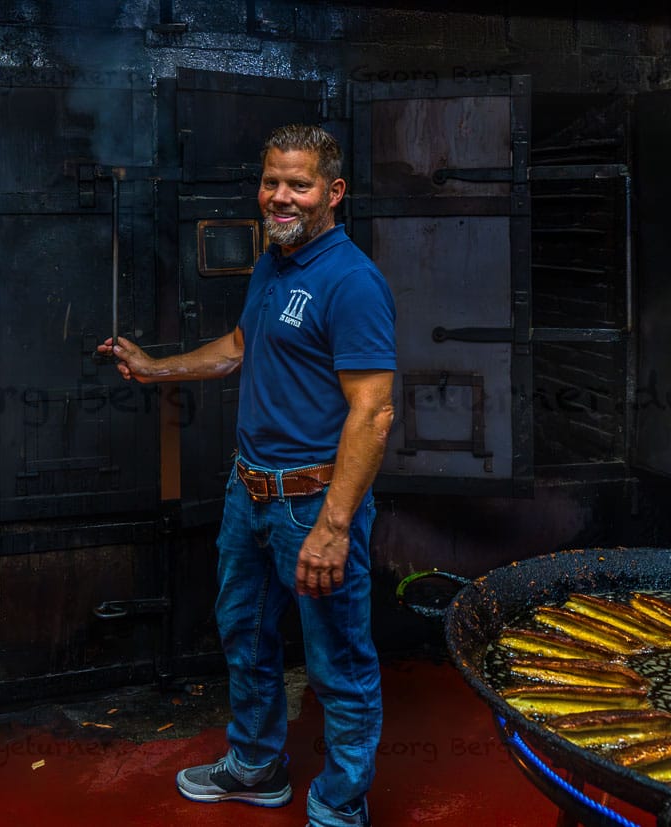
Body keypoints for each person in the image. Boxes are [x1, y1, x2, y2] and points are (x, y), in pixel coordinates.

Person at [97, 123, 396, 827]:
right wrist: (155, 368)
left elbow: (373, 412)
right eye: (272, 181)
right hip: (249, 490)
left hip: (313, 503)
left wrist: (333, 526)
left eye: (298, 184)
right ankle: (258, 765)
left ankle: (339, 807)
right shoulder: (275, 259)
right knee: (245, 635)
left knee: (340, 665)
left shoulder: (351, 282)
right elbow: (240, 345)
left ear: (333, 191)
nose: (281, 196)